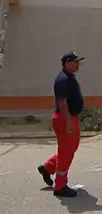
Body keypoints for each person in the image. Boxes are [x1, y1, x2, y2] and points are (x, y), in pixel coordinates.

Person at [38, 52, 85, 197]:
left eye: (78, 62)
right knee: (66, 152)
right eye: (75, 62)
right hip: (65, 119)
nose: (78, 65)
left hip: (70, 117)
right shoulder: (63, 79)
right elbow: (62, 102)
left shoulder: (70, 77)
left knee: (71, 148)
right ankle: (60, 186)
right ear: (67, 63)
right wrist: (69, 122)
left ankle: (47, 168)